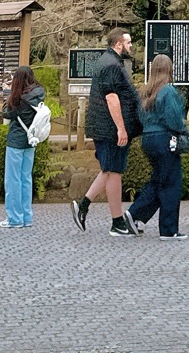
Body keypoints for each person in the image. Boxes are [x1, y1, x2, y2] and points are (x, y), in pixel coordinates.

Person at [72, 28, 142, 237]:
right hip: (110, 129)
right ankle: (116, 221)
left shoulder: (109, 62)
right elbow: (112, 98)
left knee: (110, 170)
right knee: (114, 172)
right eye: (128, 42)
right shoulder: (111, 65)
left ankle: (83, 206)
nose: (131, 46)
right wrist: (121, 128)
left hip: (106, 127)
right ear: (118, 44)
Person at [128, 54, 189, 241]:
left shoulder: (145, 92)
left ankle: (134, 214)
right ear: (169, 69)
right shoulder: (168, 91)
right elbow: (173, 118)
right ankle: (168, 229)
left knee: (158, 180)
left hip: (148, 139)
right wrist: (185, 132)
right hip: (165, 139)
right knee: (172, 183)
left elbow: (141, 118)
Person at [0, 65, 45, 229]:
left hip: (16, 142)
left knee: (13, 181)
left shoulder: (18, 99)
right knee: (26, 179)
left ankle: (14, 218)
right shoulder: (39, 94)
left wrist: (7, 95)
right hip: (30, 141)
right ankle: (27, 216)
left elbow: (6, 113)